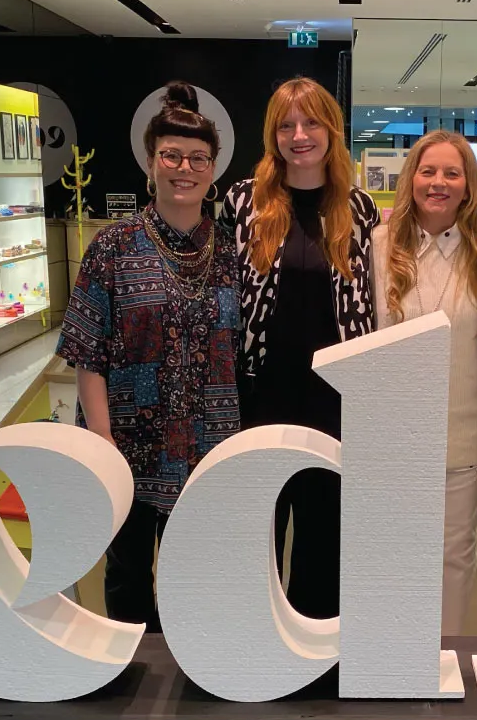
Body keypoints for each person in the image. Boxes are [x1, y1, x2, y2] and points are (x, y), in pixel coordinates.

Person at [57, 82, 239, 632]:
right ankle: (133, 671)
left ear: (213, 169)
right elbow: (87, 352)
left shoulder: (232, 250)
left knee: (200, 579)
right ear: (150, 161)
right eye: (172, 155)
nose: (185, 168)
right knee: (128, 574)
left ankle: (192, 669)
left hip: (210, 444)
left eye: (198, 158)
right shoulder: (113, 247)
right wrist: (103, 442)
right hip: (130, 443)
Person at [221, 77, 380, 619]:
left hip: (335, 398)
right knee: (258, 523)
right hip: (261, 393)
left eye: (311, 122)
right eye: (286, 125)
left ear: (332, 129)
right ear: (272, 134)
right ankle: (254, 637)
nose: (299, 135)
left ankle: (314, 643)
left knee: (323, 529)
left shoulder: (358, 209)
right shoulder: (244, 201)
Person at [371, 131, 477, 637]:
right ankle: (394, 654)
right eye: (427, 171)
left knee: (453, 556)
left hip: (460, 436)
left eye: (451, 172)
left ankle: (444, 656)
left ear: (468, 185)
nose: (438, 182)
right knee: (392, 555)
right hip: (391, 439)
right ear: (411, 179)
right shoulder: (379, 247)